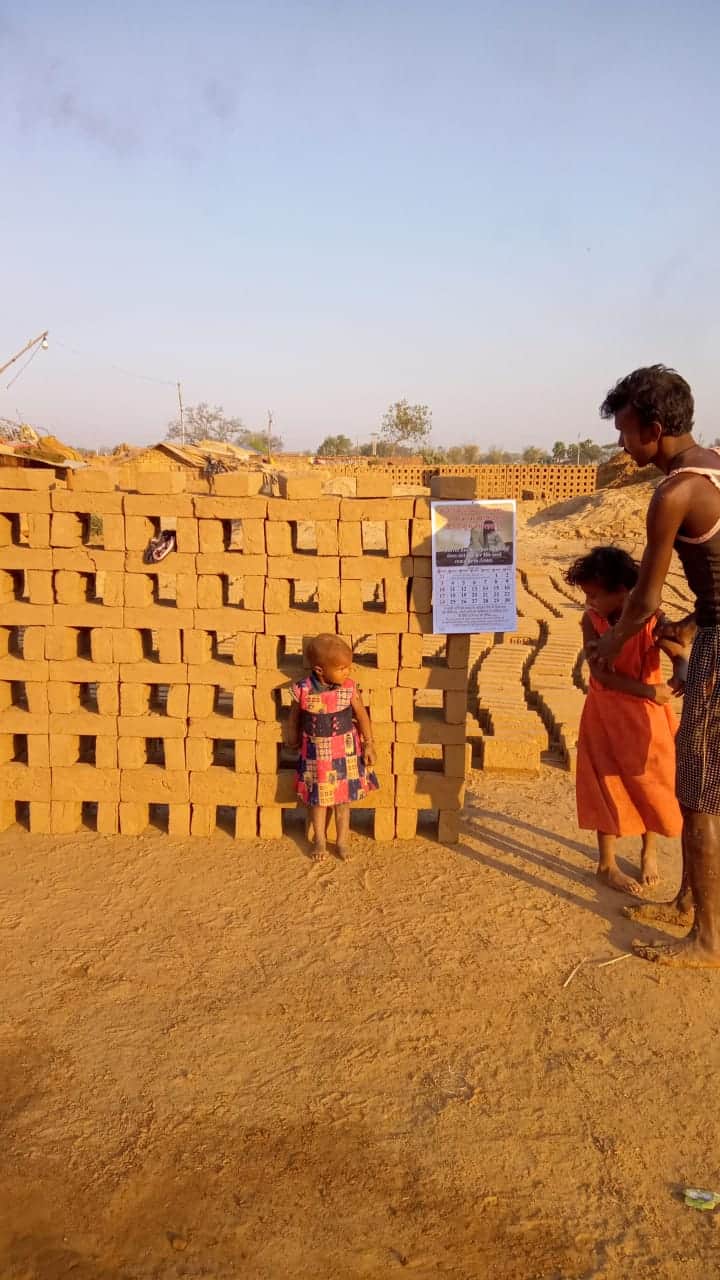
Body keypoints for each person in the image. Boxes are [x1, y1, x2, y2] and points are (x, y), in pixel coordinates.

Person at [589, 365, 720, 966]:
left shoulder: (675, 493)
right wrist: (691, 624)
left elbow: (643, 595)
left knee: (697, 793)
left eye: (625, 431)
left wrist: (611, 643)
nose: (621, 444)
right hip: (712, 632)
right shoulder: (714, 467)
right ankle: (687, 903)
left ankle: (705, 939)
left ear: (656, 427)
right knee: (698, 788)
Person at [565, 546, 684, 895]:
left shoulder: (652, 619)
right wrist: (648, 691)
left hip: (647, 716)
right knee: (604, 781)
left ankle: (649, 851)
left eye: (594, 595)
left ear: (621, 591)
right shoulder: (591, 621)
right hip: (605, 711)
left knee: (649, 781)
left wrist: (680, 672)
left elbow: (677, 652)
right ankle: (607, 863)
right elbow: (601, 676)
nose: (589, 602)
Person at [287, 635, 378, 862]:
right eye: (341, 668)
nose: (347, 672)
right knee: (318, 801)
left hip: (345, 753)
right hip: (316, 756)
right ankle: (319, 839)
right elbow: (295, 716)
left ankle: (342, 841)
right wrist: (292, 736)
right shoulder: (303, 689)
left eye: (349, 667)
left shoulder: (348, 688)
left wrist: (369, 744)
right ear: (319, 669)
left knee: (343, 801)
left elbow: (362, 716)